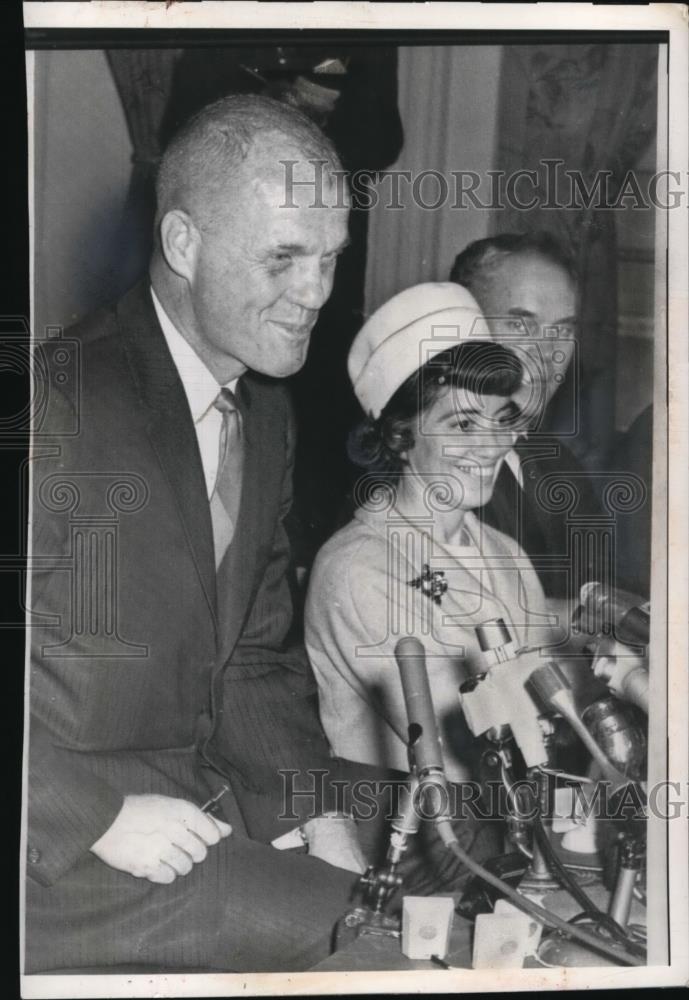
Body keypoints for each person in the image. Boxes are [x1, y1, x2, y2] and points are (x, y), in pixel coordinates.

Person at [26, 96, 476, 976]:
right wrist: (95, 811)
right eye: (284, 258)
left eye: (330, 258)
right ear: (184, 245)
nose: (316, 293)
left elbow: (257, 657)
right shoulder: (57, 402)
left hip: (206, 782)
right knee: (383, 947)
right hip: (65, 849)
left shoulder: (264, 411)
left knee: (464, 822)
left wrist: (307, 811)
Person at [304, 283, 558, 780]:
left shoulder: (506, 554)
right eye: (463, 425)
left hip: (510, 816)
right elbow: (477, 743)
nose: (492, 446)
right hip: (415, 832)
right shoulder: (357, 568)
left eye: (501, 420)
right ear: (401, 435)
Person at [449, 233, 604, 604]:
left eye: (563, 329)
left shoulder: (561, 469)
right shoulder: (423, 468)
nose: (548, 355)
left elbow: (602, 593)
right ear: (462, 327)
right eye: (521, 325)